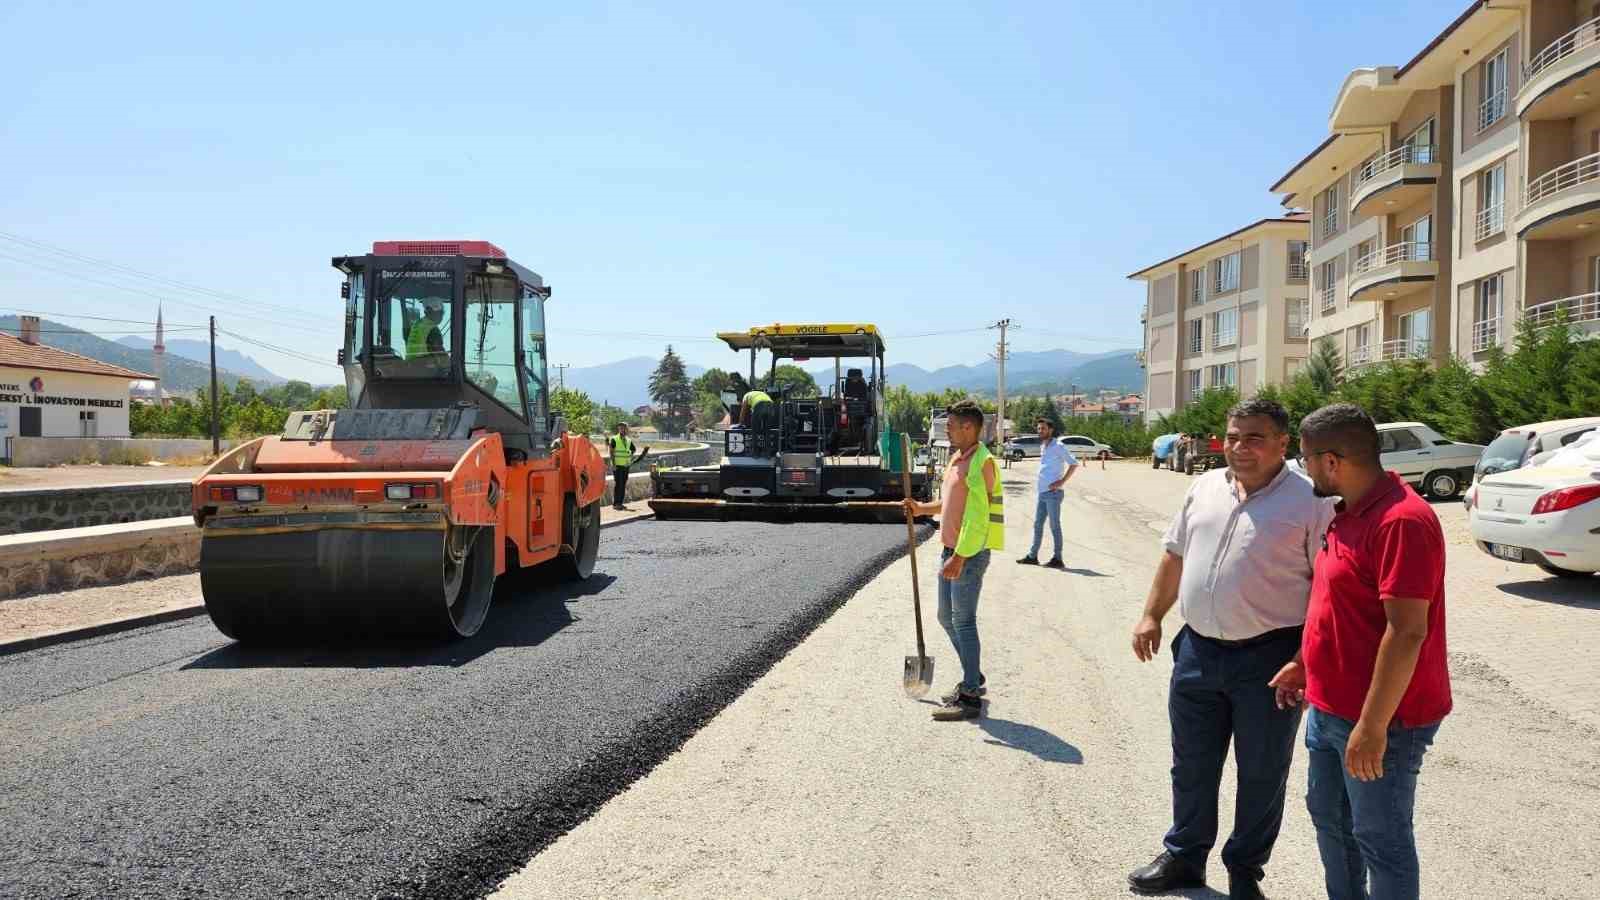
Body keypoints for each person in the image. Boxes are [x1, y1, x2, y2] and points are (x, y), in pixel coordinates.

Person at [1128, 398, 1333, 900]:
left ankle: (1245, 871)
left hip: (1271, 659)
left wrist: (1304, 660)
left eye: (1254, 437)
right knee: (1191, 763)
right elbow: (1174, 556)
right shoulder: (1203, 487)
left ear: (1282, 444)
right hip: (1197, 651)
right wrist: (1151, 614)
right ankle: (1184, 856)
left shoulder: (1311, 501)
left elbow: (1329, 590)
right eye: (1234, 436)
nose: (1240, 447)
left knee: (1262, 771)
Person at [1275, 403, 1450, 900]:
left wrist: (1372, 727)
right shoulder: (1345, 512)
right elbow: (1333, 605)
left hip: (1383, 720)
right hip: (1329, 707)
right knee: (1330, 820)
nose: (1301, 467)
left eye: (1305, 457)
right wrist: (1303, 663)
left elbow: (1407, 631)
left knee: (1381, 840)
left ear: (1332, 461)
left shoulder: (1402, 522)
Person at [903, 400, 1004, 722]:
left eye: (951, 425)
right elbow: (949, 505)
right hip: (950, 551)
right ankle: (973, 676)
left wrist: (960, 557)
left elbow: (978, 519)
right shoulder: (958, 460)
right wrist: (921, 508)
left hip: (969, 555)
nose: (946, 429)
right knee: (946, 618)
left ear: (969, 428)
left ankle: (970, 696)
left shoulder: (983, 463)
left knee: (963, 621)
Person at [1017, 416, 1077, 570]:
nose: (1040, 431)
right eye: (1038, 429)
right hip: (1042, 493)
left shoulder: (1058, 446)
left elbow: (1073, 463)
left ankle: (1058, 558)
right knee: (1038, 525)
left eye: (1043, 428)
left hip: (1053, 494)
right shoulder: (1044, 446)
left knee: (1054, 526)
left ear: (1051, 430)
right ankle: (1032, 556)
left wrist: (1061, 482)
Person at [607, 422, 649, 510]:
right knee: (618, 484)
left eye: (624, 428)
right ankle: (616, 504)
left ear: (627, 429)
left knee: (623, 484)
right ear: (619, 429)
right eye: (621, 428)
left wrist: (629, 456)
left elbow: (633, 450)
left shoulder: (628, 440)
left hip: (626, 466)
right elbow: (611, 452)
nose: (623, 430)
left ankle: (620, 503)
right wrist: (613, 464)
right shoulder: (614, 439)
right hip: (617, 466)